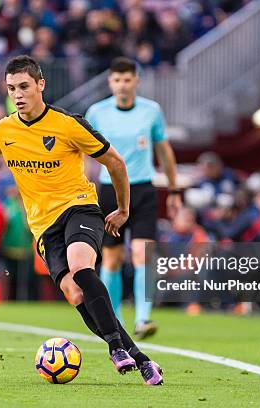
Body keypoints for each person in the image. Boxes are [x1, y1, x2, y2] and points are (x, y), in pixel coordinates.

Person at [0, 55, 163, 385]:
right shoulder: (4, 130)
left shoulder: (68, 124)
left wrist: (123, 209)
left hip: (80, 207)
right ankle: (139, 357)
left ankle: (115, 348)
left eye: (24, 86)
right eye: (11, 89)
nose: (18, 94)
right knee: (73, 293)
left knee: (81, 266)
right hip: (43, 225)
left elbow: (116, 163)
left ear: (40, 85)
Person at [85, 57, 181, 340]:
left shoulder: (151, 111)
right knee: (112, 260)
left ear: (136, 81)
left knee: (142, 255)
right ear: (110, 82)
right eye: (117, 80)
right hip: (109, 191)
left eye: (127, 80)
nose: (122, 85)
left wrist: (174, 190)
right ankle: (112, 323)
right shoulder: (97, 112)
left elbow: (164, 151)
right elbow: (81, 151)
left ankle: (143, 319)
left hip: (142, 190)